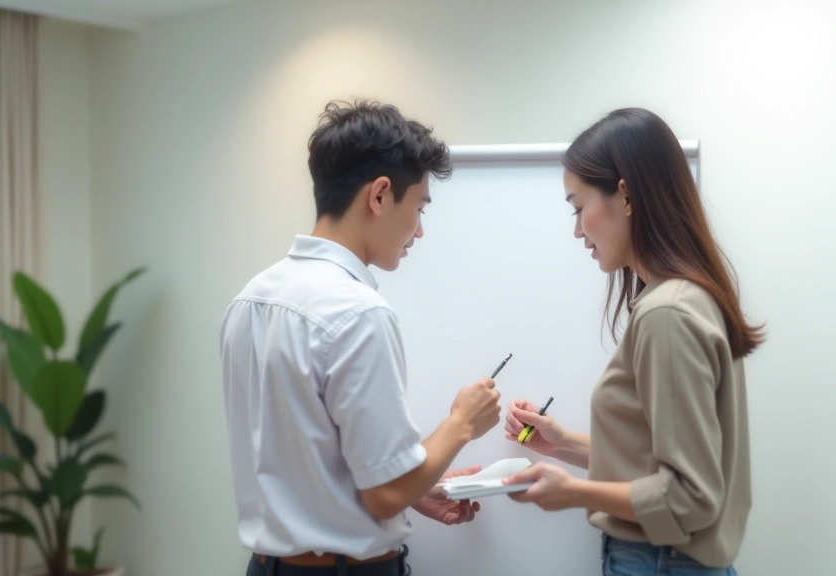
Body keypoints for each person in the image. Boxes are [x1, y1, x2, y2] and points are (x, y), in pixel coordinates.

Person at [220, 100, 502, 576]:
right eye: (418, 207)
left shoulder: (248, 300)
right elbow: (385, 492)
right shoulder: (358, 312)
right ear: (379, 195)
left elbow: (311, 472)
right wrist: (462, 423)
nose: (419, 230)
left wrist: (415, 490)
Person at [502, 108, 763, 576]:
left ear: (624, 196)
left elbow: (689, 498)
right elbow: (657, 466)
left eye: (578, 207)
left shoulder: (667, 313)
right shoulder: (680, 299)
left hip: (660, 561)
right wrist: (562, 444)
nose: (577, 231)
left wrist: (572, 492)